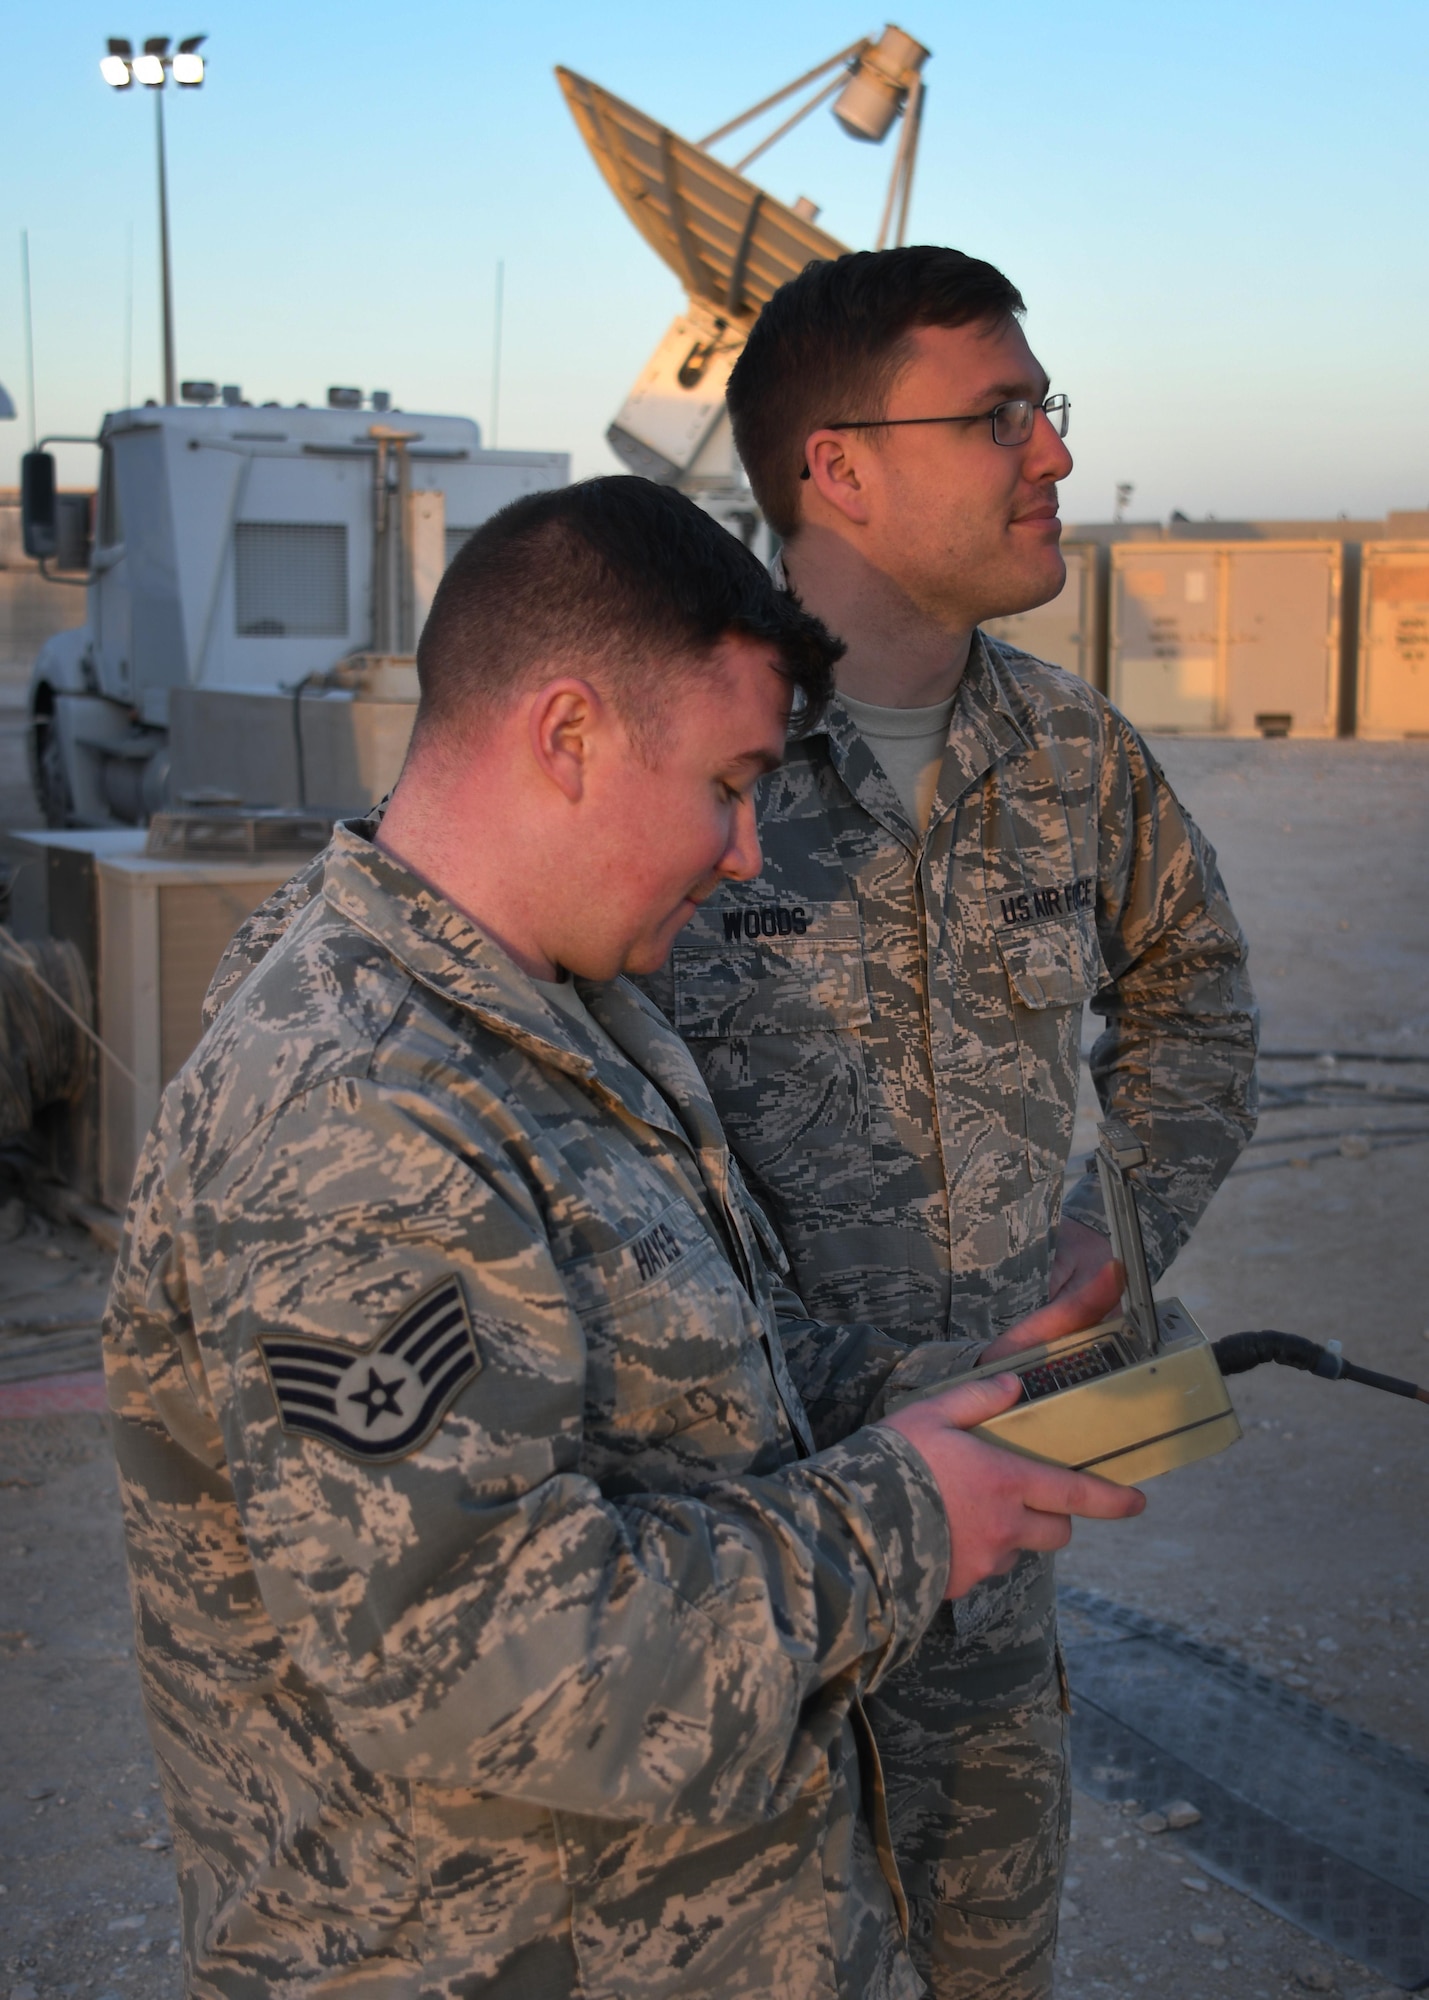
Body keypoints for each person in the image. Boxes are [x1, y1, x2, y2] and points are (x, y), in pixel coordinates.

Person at [104, 477, 1145, 2000]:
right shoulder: (358, 1111)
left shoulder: (544, 1014)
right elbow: (477, 1660)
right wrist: (908, 1513)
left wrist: (944, 1388)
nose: (741, 853)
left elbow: (673, 1374)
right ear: (569, 734)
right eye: (728, 784)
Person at [636, 249, 1260, 1997]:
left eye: (1042, 409)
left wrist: (1114, 1225)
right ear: (835, 466)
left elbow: (1193, 995)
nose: (1051, 453)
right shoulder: (670, 750)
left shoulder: (1070, 759)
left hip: (988, 1566)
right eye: (1000, 415)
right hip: (722, 1571)